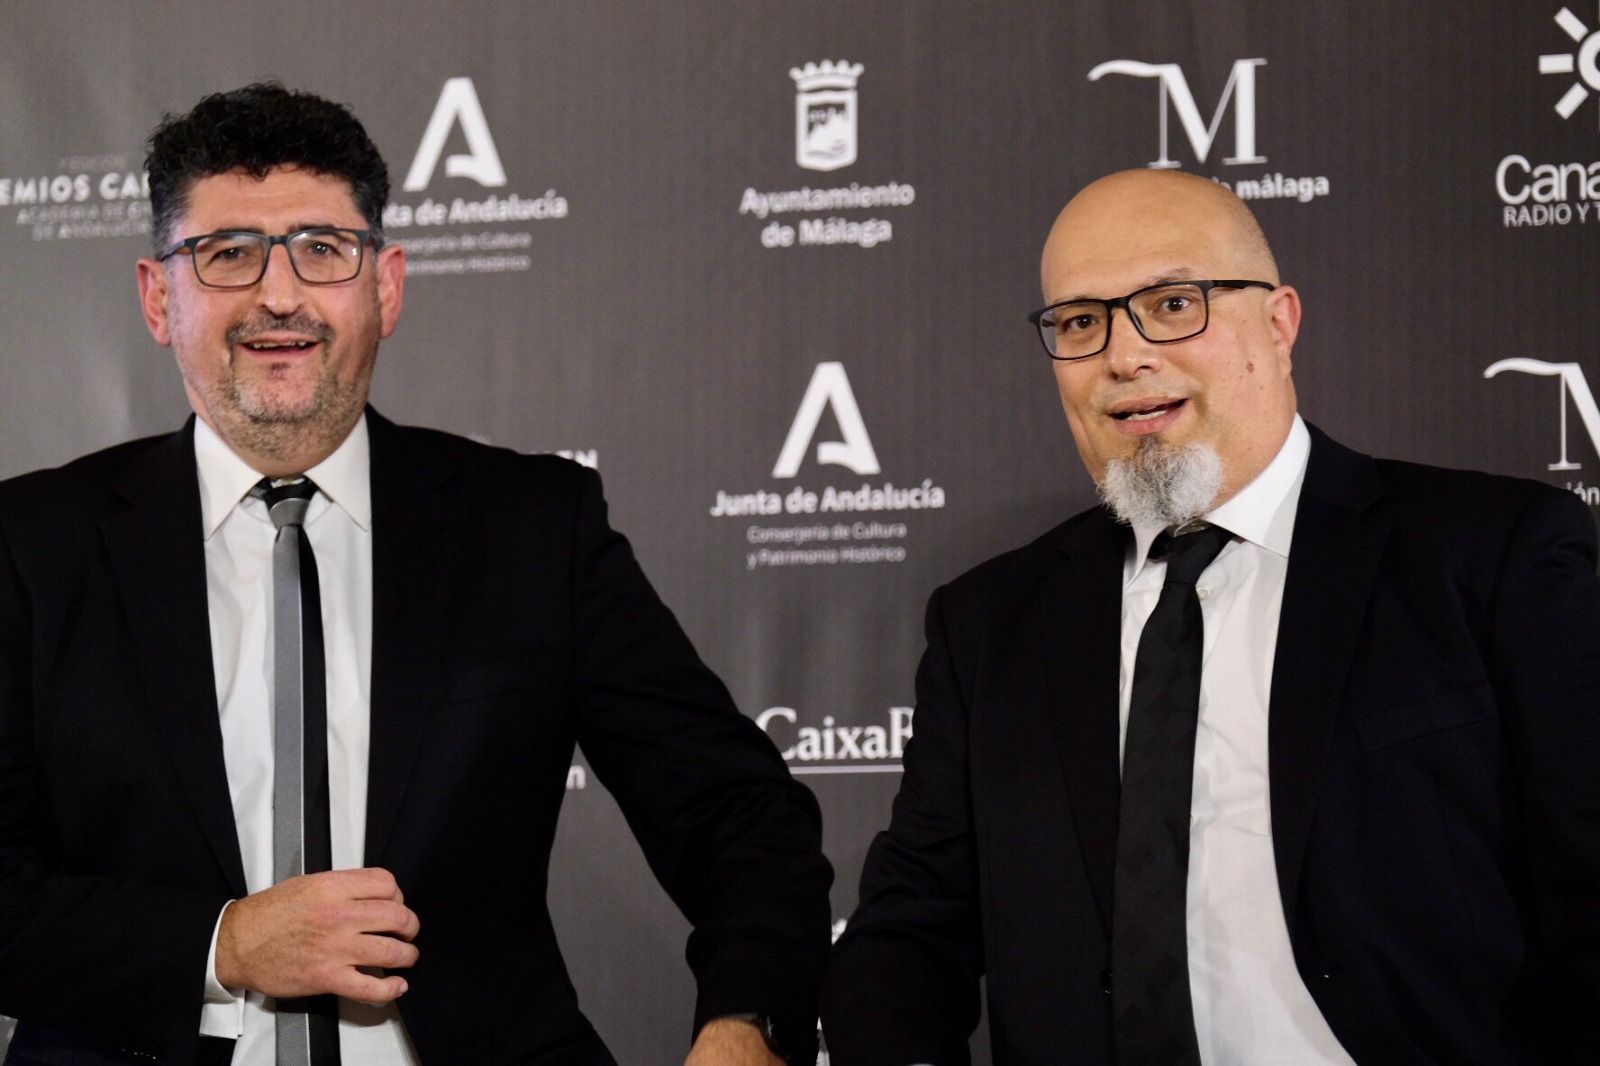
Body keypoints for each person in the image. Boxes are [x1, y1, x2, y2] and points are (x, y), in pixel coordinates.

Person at [0, 83, 831, 1066]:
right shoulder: (31, 544)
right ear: (156, 296)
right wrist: (223, 944)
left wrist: (746, 1026)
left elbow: (742, 817)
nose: (279, 294)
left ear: (385, 285)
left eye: (322, 249)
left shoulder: (531, 528)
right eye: (227, 254)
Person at [820, 168, 1600, 1064]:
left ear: (1278, 324)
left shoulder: (1487, 556)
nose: (1124, 354)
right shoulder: (989, 623)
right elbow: (908, 938)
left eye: (1172, 302)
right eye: (1081, 322)